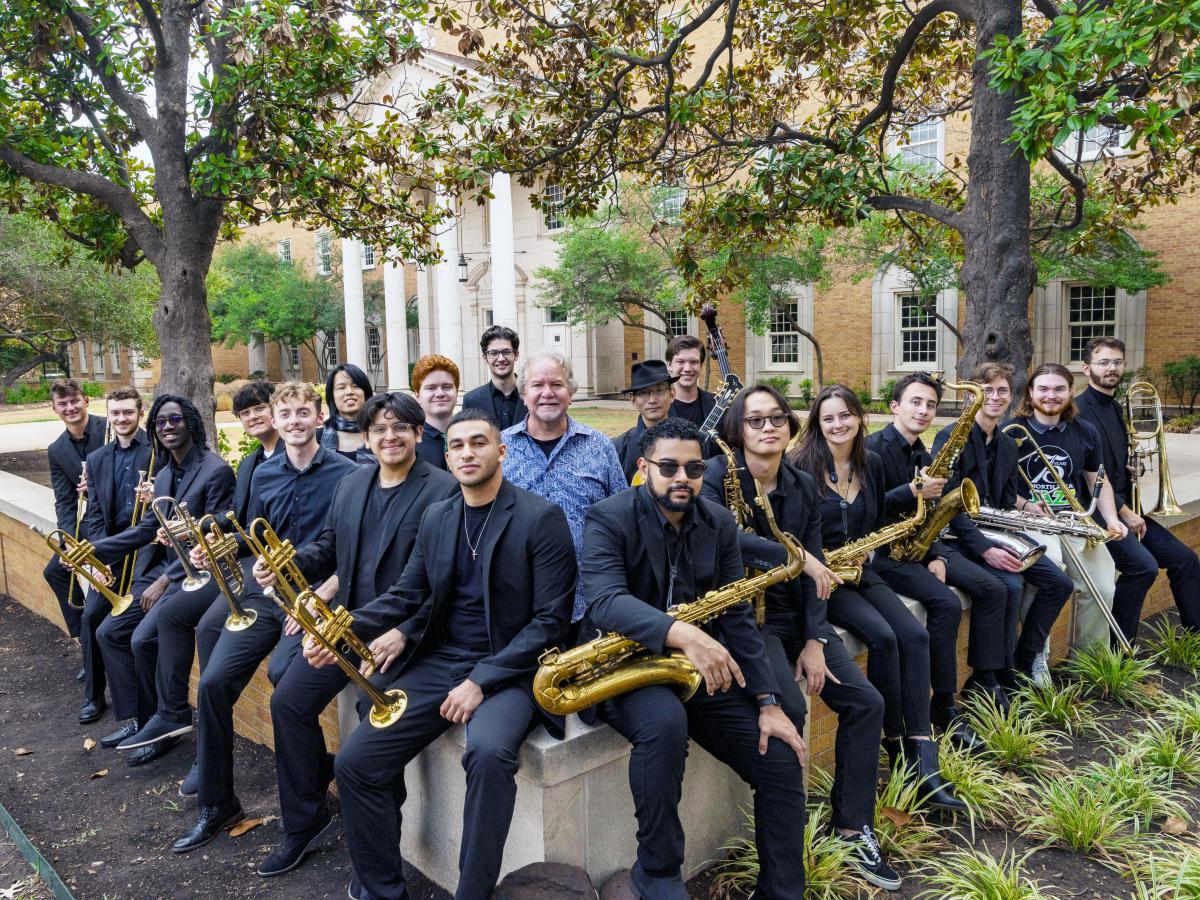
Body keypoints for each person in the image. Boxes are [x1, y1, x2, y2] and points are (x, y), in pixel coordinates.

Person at [310, 408, 576, 900]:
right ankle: (384, 888)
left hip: (512, 669)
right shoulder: (438, 516)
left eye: (479, 443)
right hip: (442, 660)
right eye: (457, 445)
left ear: (502, 451)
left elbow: (550, 623)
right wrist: (339, 626)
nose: (467, 453)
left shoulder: (542, 518)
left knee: (490, 754)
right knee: (355, 763)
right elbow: (408, 593)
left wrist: (481, 681)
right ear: (447, 455)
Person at [582, 417, 809, 899]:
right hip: (625, 664)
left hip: (695, 667)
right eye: (668, 467)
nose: (682, 477)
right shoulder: (608, 515)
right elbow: (603, 600)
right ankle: (658, 871)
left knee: (782, 757)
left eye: (693, 467)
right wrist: (680, 632)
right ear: (644, 468)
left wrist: (768, 701)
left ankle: (782, 891)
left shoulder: (718, 521)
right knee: (664, 725)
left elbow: (738, 617)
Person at [701, 385, 899, 891]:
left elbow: (819, 576)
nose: (768, 428)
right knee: (789, 706)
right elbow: (720, 534)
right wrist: (794, 555)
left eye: (777, 419)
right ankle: (782, 838)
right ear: (737, 430)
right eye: (755, 420)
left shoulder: (802, 484)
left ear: (790, 427)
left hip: (795, 618)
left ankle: (853, 828)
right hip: (749, 622)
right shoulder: (715, 478)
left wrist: (815, 638)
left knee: (866, 702)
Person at [258, 392, 458, 878]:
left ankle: (382, 861)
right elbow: (331, 545)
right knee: (287, 703)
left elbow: (447, 581)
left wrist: (406, 632)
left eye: (400, 427)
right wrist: (288, 563)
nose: (390, 436)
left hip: (403, 635)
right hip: (348, 626)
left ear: (416, 433)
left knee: (374, 731)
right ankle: (306, 822)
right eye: (379, 429)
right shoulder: (351, 484)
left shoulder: (444, 490)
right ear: (365, 437)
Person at [172, 382, 356, 853]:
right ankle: (217, 804)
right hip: (264, 597)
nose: (294, 421)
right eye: (285, 413)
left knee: (285, 688)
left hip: (315, 601)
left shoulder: (347, 474)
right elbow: (253, 532)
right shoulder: (264, 474)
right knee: (212, 684)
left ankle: (309, 809)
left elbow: (351, 551)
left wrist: (319, 596)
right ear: (275, 420)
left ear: (320, 418)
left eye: (303, 412)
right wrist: (229, 548)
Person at [791, 385, 966, 811]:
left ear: (858, 418)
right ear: (817, 422)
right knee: (884, 639)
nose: (838, 424)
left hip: (862, 568)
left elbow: (883, 510)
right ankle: (897, 749)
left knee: (914, 634)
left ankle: (923, 750)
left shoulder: (871, 462)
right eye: (829, 418)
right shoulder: (800, 468)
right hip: (824, 580)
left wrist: (908, 498)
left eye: (845, 415)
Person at [120, 381, 278, 797]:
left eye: (261, 408)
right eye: (245, 413)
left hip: (247, 572)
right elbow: (234, 521)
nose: (253, 417)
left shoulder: (225, 468)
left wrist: (193, 546)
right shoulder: (246, 465)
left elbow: (238, 524)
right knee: (158, 627)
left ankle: (201, 752)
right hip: (218, 563)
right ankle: (170, 718)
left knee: (200, 633)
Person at [89, 395, 235, 766]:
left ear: (190, 422)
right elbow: (149, 529)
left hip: (199, 574)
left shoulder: (215, 470)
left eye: (174, 420)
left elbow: (219, 528)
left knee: (142, 639)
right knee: (111, 633)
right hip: (171, 571)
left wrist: (165, 580)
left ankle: (169, 721)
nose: (167, 428)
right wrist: (93, 552)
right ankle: (144, 718)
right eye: (159, 423)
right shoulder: (167, 473)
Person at [866, 374, 1002, 750]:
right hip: (884, 554)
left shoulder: (923, 453)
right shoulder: (872, 450)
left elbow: (937, 512)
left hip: (920, 547)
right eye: (915, 402)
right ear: (894, 406)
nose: (923, 410)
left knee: (988, 588)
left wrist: (938, 553)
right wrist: (911, 491)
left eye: (929, 404)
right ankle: (942, 703)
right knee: (944, 603)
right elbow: (870, 510)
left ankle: (979, 683)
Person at [932, 364, 1075, 687]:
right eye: (987, 390)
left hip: (996, 530)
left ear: (1011, 397)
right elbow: (946, 507)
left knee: (1059, 583)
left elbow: (1006, 502)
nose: (994, 398)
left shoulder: (1009, 444)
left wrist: (1025, 515)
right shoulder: (951, 437)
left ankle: (1024, 659)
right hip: (958, 536)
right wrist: (986, 550)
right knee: (1009, 586)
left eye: (1002, 391)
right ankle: (991, 678)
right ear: (972, 397)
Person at [1076, 337, 1200, 640]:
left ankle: (1196, 637)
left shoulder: (1115, 407)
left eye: (1117, 362)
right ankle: (1120, 649)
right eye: (1103, 362)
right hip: (1100, 515)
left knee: (1185, 560)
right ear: (1086, 368)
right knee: (1141, 569)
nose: (1111, 368)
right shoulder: (1079, 411)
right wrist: (1125, 512)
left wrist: (1132, 468)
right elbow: (1089, 475)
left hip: (1127, 508)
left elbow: (1112, 463)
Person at [1008, 363, 1127, 655]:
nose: (1051, 395)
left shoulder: (1085, 431)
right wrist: (1026, 506)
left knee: (1103, 587)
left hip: (1074, 520)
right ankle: (1038, 657)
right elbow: (999, 488)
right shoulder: (1010, 432)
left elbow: (1097, 479)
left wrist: (1112, 519)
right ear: (1030, 393)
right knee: (1051, 575)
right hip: (1031, 521)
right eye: (1044, 389)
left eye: (1059, 388)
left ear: (1071, 392)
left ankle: (1087, 659)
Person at [500, 350, 627, 622]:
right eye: (537, 385)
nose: (548, 392)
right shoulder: (500, 448)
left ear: (570, 392)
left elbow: (623, 518)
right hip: (518, 601)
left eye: (557, 384)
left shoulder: (600, 446)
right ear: (523, 393)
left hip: (589, 601)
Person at [76, 387, 159, 728]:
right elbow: (94, 515)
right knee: (91, 616)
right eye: (115, 413)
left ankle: (140, 710)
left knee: (121, 628)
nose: (121, 418)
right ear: (108, 416)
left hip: (147, 550)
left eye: (128, 412)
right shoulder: (97, 459)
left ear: (140, 413)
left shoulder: (157, 453)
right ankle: (94, 696)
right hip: (112, 552)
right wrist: (100, 559)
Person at [43, 379, 107, 657]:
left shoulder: (109, 428)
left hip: (117, 518)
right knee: (56, 569)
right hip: (91, 520)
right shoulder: (57, 450)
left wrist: (96, 485)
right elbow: (65, 501)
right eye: (63, 404)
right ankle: (85, 643)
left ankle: (101, 644)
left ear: (86, 401)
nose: (70, 408)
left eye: (74, 401)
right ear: (54, 408)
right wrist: (67, 542)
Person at [612, 359, 676, 483]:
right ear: (632, 400)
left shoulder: (688, 441)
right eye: (643, 393)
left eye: (659, 390)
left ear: (672, 394)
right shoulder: (619, 448)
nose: (652, 399)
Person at [461, 325, 528, 430]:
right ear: (485, 357)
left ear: (516, 355)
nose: (501, 358)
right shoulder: (471, 401)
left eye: (506, 352)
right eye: (493, 353)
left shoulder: (532, 394)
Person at [320, 363, 375, 464]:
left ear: (365, 392)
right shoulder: (317, 438)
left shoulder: (379, 433)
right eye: (341, 388)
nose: (349, 392)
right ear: (332, 396)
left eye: (356, 386)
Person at [411, 354, 460, 470]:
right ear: (417, 396)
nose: (440, 394)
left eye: (447, 387)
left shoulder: (471, 435)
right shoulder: (410, 444)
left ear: (457, 392)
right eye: (431, 388)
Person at [665, 335, 716, 429]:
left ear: (701, 365)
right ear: (669, 365)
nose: (687, 369)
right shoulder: (658, 408)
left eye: (694, 362)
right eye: (680, 362)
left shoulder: (717, 405)